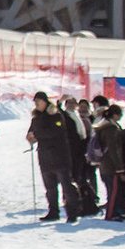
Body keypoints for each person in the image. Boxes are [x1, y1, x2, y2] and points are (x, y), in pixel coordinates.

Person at [27, 92, 79, 223]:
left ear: (45, 101)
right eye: (35, 102)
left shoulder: (55, 115)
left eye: (38, 101)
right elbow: (31, 132)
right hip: (44, 156)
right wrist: (30, 137)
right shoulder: (35, 118)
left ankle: (72, 212)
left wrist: (37, 135)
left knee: (66, 186)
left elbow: (55, 132)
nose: (37, 104)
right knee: (49, 187)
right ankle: (53, 211)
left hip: (59, 155)